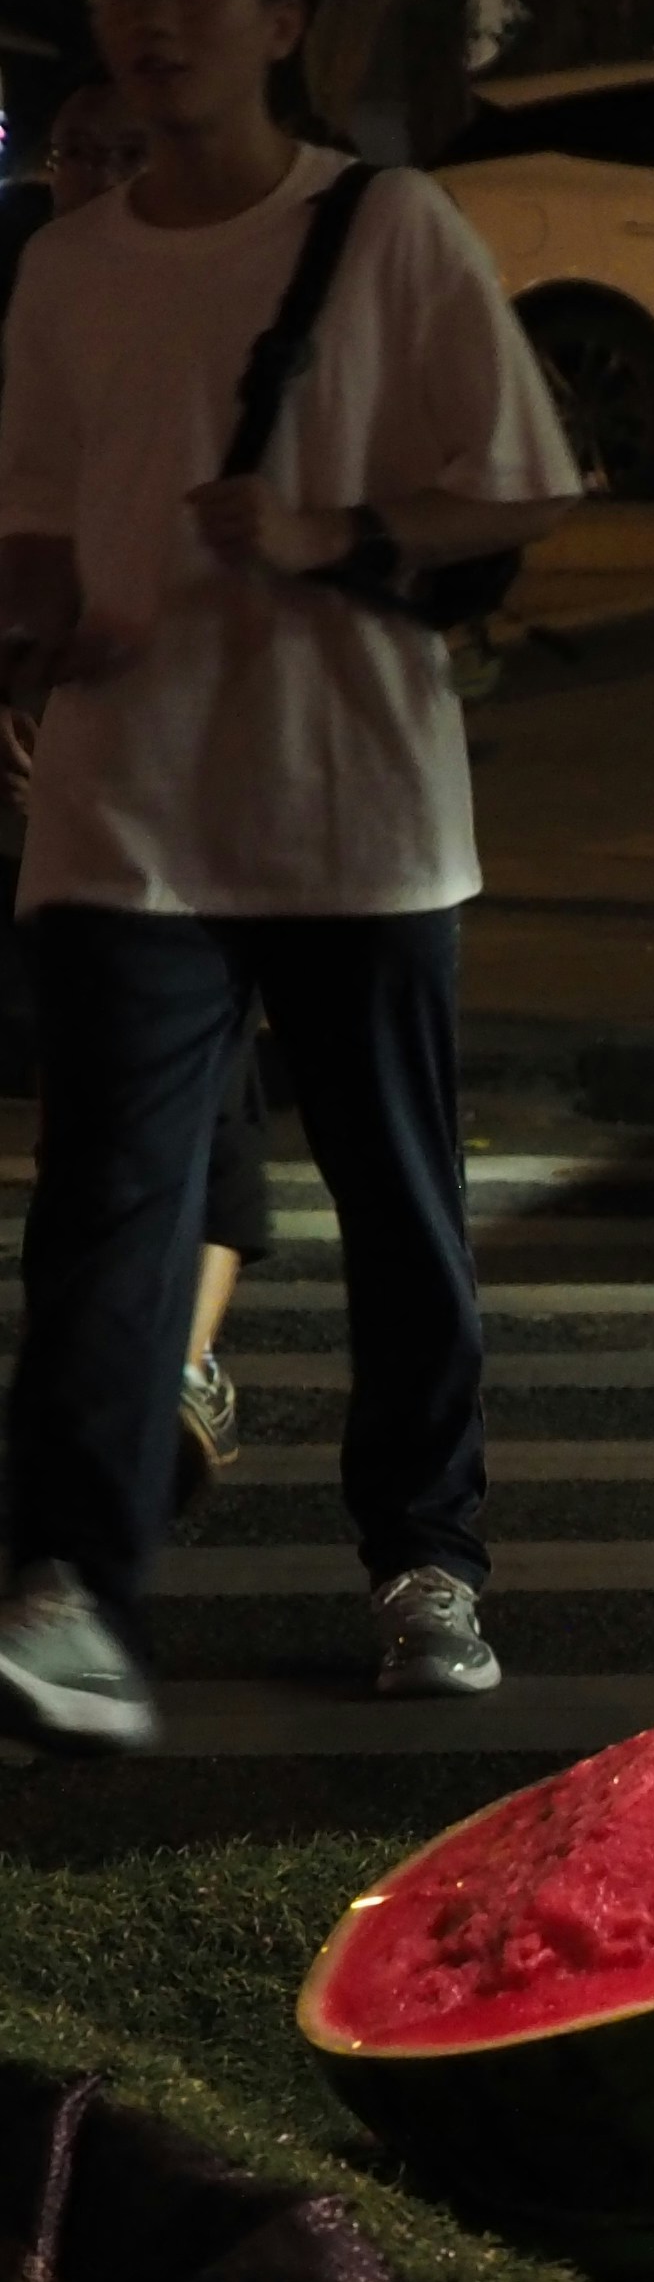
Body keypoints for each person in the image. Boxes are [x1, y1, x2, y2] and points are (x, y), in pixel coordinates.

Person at [0, 0, 581, 1755]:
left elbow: (516, 489)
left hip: (355, 809)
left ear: (279, 20)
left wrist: (329, 531)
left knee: (400, 1197)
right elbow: (27, 517)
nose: (154, 19)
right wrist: (35, 631)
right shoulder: (62, 269)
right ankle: (75, 1590)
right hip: (126, 803)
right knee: (107, 1215)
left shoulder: (389, 232)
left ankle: (426, 1560)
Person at [0, 75, 266, 1507]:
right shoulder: (34, 311)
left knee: (196, 1080)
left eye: (122, 153)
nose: (93, 178)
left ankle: (177, 1360)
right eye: (71, 155)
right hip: (57, 777)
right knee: (95, 1097)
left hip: (181, 770)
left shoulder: (196, 317)